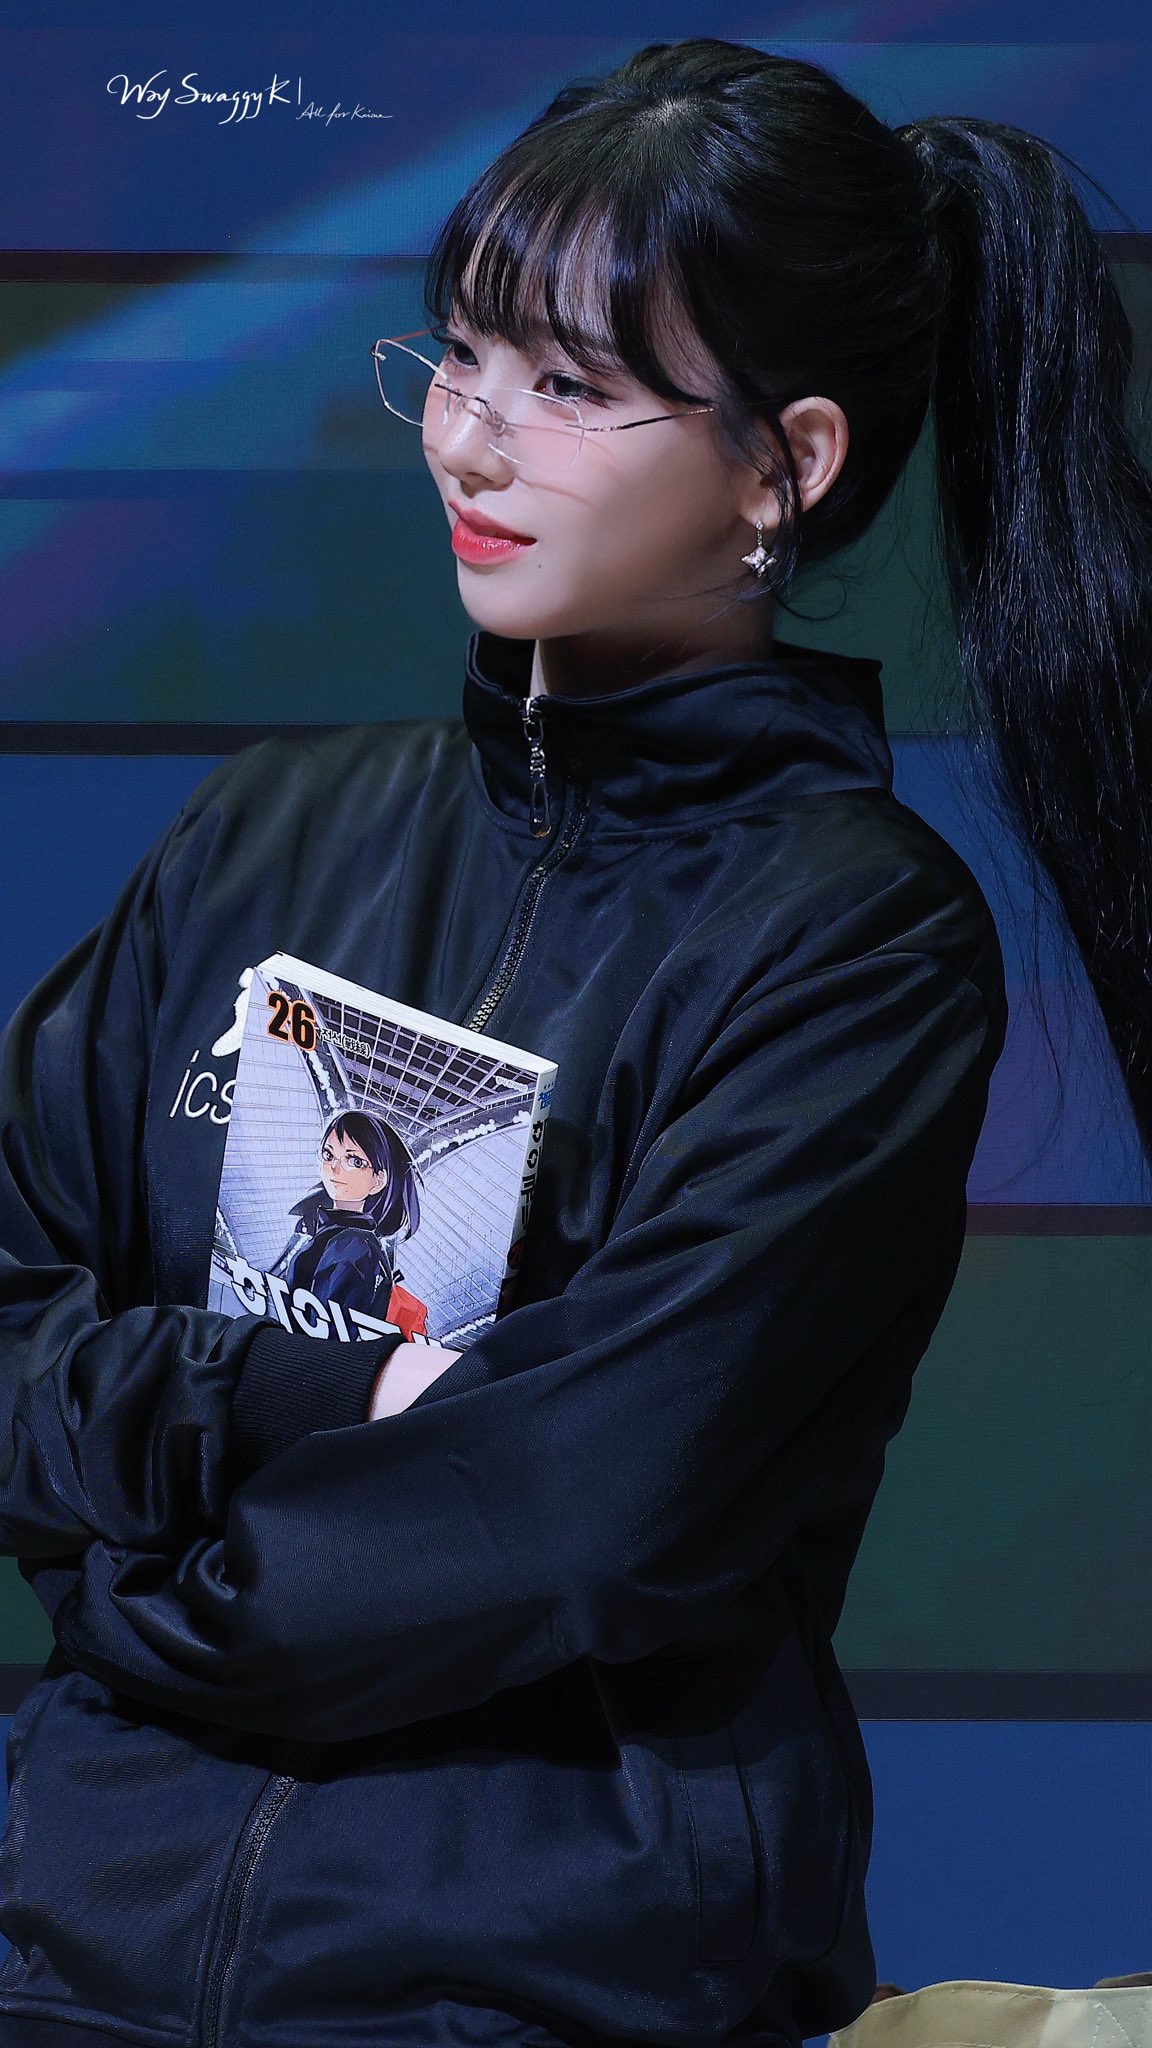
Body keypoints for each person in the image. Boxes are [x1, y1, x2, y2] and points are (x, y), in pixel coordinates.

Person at [0, 34, 1147, 2048]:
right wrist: (289, 1393)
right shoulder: (265, 827)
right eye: (459, 357)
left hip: (535, 1979)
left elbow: (569, 1516)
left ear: (785, 464)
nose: (468, 441)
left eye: (570, 387)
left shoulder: (855, 937)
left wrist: (137, 1593)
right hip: (66, 1940)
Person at [279, 1107, 427, 1332]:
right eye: (329, 1155)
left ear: (379, 1180)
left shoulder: (354, 1244)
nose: (334, 1168)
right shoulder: (339, 1236)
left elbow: (325, 1333)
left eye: (355, 1161)